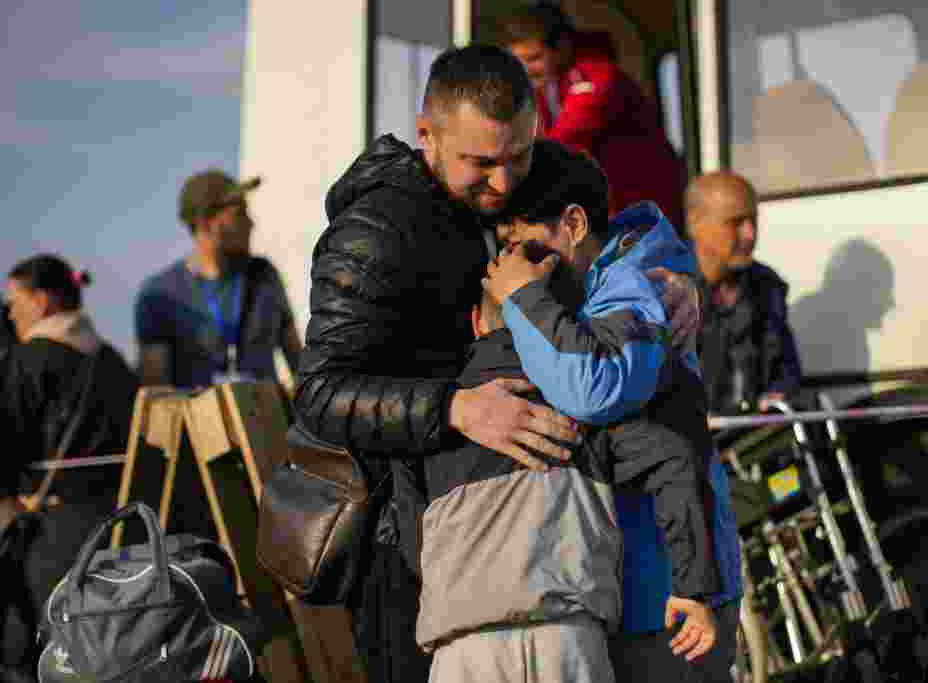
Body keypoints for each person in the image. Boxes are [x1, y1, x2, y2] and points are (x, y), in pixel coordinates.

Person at [291, 45, 701, 683]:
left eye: (520, 156)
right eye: (480, 163)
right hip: (409, 546)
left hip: (556, 545)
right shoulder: (371, 234)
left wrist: (664, 280)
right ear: (427, 137)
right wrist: (456, 408)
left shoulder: (555, 178)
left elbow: (606, 241)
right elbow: (319, 393)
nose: (505, 184)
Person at [418, 150, 717, 683]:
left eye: (525, 249)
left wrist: (522, 298)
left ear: (574, 224)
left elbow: (592, 387)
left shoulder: (627, 294)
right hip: (603, 611)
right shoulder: (502, 391)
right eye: (506, 255)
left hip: (639, 601)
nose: (516, 266)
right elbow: (667, 454)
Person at [1, 254, 139, 674]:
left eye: (14, 301)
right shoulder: (113, 361)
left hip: (50, 540)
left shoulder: (26, 361)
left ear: (40, 302)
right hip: (122, 530)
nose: (10, 312)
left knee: (31, 657)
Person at [498, 2, 686, 229]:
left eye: (534, 58)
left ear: (563, 48)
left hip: (644, 213)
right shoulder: (546, 86)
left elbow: (567, 138)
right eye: (519, 60)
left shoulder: (600, 77)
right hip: (610, 213)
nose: (526, 68)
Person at [135, 169, 302, 389]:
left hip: (267, 421)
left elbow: (301, 369)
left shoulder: (265, 277)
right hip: (198, 423)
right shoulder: (158, 297)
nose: (251, 224)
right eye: (239, 214)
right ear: (205, 224)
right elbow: (157, 398)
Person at [687, 171, 802, 415]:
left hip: (752, 437)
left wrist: (777, 394)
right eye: (736, 222)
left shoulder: (766, 286)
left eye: (753, 221)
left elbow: (785, 368)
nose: (750, 234)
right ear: (695, 223)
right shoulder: (659, 292)